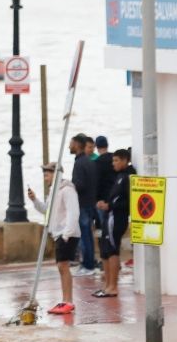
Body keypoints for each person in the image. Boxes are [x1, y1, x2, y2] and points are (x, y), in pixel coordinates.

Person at [28, 163, 81, 315]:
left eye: (47, 175)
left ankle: (68, 301)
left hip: (67, 234)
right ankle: (65, 300)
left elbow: (73, 212)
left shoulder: (67, 190)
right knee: (61, 267)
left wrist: (66, 234)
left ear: (55, 174)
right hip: (58, 233)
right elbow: (47, 210)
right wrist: (35, 200)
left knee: (63, 266)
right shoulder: (53, 191)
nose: (45, 179)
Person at [96, 149, 136, 298]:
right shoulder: (119, 176)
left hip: (117, 218)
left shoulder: (129, 176)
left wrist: (110, 206)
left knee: (112, 250)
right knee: (105, 251)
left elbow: (129, 202)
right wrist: (105, 203)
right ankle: (107, 285)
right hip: (110, 216)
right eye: (113, 160)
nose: (113, 163)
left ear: (125, 160)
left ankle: (113, 287)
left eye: (117, 160)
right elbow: (115, 197)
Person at [70, 134, 99, 277]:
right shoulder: (89, 161)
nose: (69, 146)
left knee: (84, 236)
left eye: (71, 144)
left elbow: (80, 185)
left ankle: (87, 266)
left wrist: (70, 186)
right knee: (87, 235)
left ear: (77, 145)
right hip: (90, 203)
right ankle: (89, 263)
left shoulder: (80, 163)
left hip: (83, 204)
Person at [93, 135, 115, 248]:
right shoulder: (114, 158)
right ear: (107, 145)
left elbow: (96, 183)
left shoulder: (97, 162)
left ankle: (103, 246)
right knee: (112, 225)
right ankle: (112, 245)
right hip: (115, 198)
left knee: (101, 225)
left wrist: (96, 199)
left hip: (102, 200)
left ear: (96, 147)